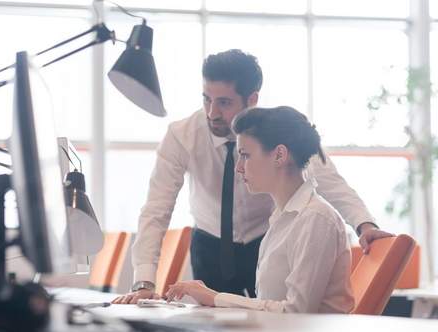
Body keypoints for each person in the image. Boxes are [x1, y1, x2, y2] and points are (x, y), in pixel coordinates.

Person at [113, 49, 393, 304]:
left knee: (263, 325)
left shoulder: (277, 133)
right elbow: (156, 210)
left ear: (252, 99)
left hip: (268, 239)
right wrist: (143, 281)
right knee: (212, 331)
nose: (212, 113)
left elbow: (328, 179)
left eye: (224, 102)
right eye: (206, 99)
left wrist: (364, 225)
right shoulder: (181, 135)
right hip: (210, 244)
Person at [165, 106, 354, 313]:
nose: (238, 167)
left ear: (279, 155)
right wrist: (214, 297)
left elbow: (296, 311)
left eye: (245, 155)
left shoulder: (316, 219)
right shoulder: (282, 218)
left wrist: (216, 297)